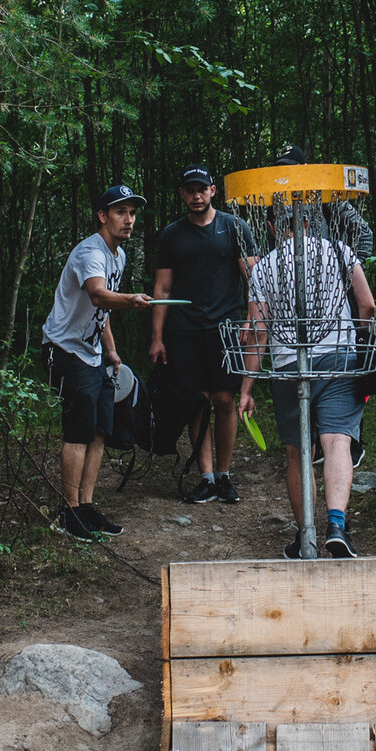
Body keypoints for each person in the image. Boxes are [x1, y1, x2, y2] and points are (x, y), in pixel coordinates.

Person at [238, 206, 375, 557]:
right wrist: (362, 343)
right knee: (337, 443)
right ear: (307, 222)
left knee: (299, 452)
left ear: (270, 226)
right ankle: (336, 525)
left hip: (287, 366)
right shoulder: (338, 252)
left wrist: (247, 389)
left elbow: (257, 331)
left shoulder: (264, 267)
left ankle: (306, 536)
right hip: (339, 359)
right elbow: (368, 305)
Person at [41, 184, 154, 540]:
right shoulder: (90, 253)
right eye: (121, 212)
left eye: (133, 213)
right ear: (103, 216)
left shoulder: (117, 256)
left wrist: (112, 350)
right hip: (63, 349)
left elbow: (100, 312)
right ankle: (68, 511)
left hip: (92, 354)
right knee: (79, 429)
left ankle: (86, 507)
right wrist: (132, 299)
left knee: (101, 429)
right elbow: (98, 294)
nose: (129, 219)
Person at [150, 165, 257, 505]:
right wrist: (157, 336)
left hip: (225, 328)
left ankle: (224, 475)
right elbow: (163, 287)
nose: (196, 195)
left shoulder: (234, 227)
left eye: (202, 189)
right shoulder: (172, 234)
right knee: (195, 403)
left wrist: (250, 320)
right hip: (184, 330)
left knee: (225, 401)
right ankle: (206, 477)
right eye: (189, 190)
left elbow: (254, 278)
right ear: (182, 194)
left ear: (213, 190)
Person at [271, 146, 373, 264]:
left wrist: (349, 270)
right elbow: (271, 245)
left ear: (305, 168)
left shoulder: (325, 197)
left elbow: (364, 234)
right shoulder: (276, 204)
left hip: (326, 273)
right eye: (281, 170)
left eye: (291, 169)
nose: (286, 174)